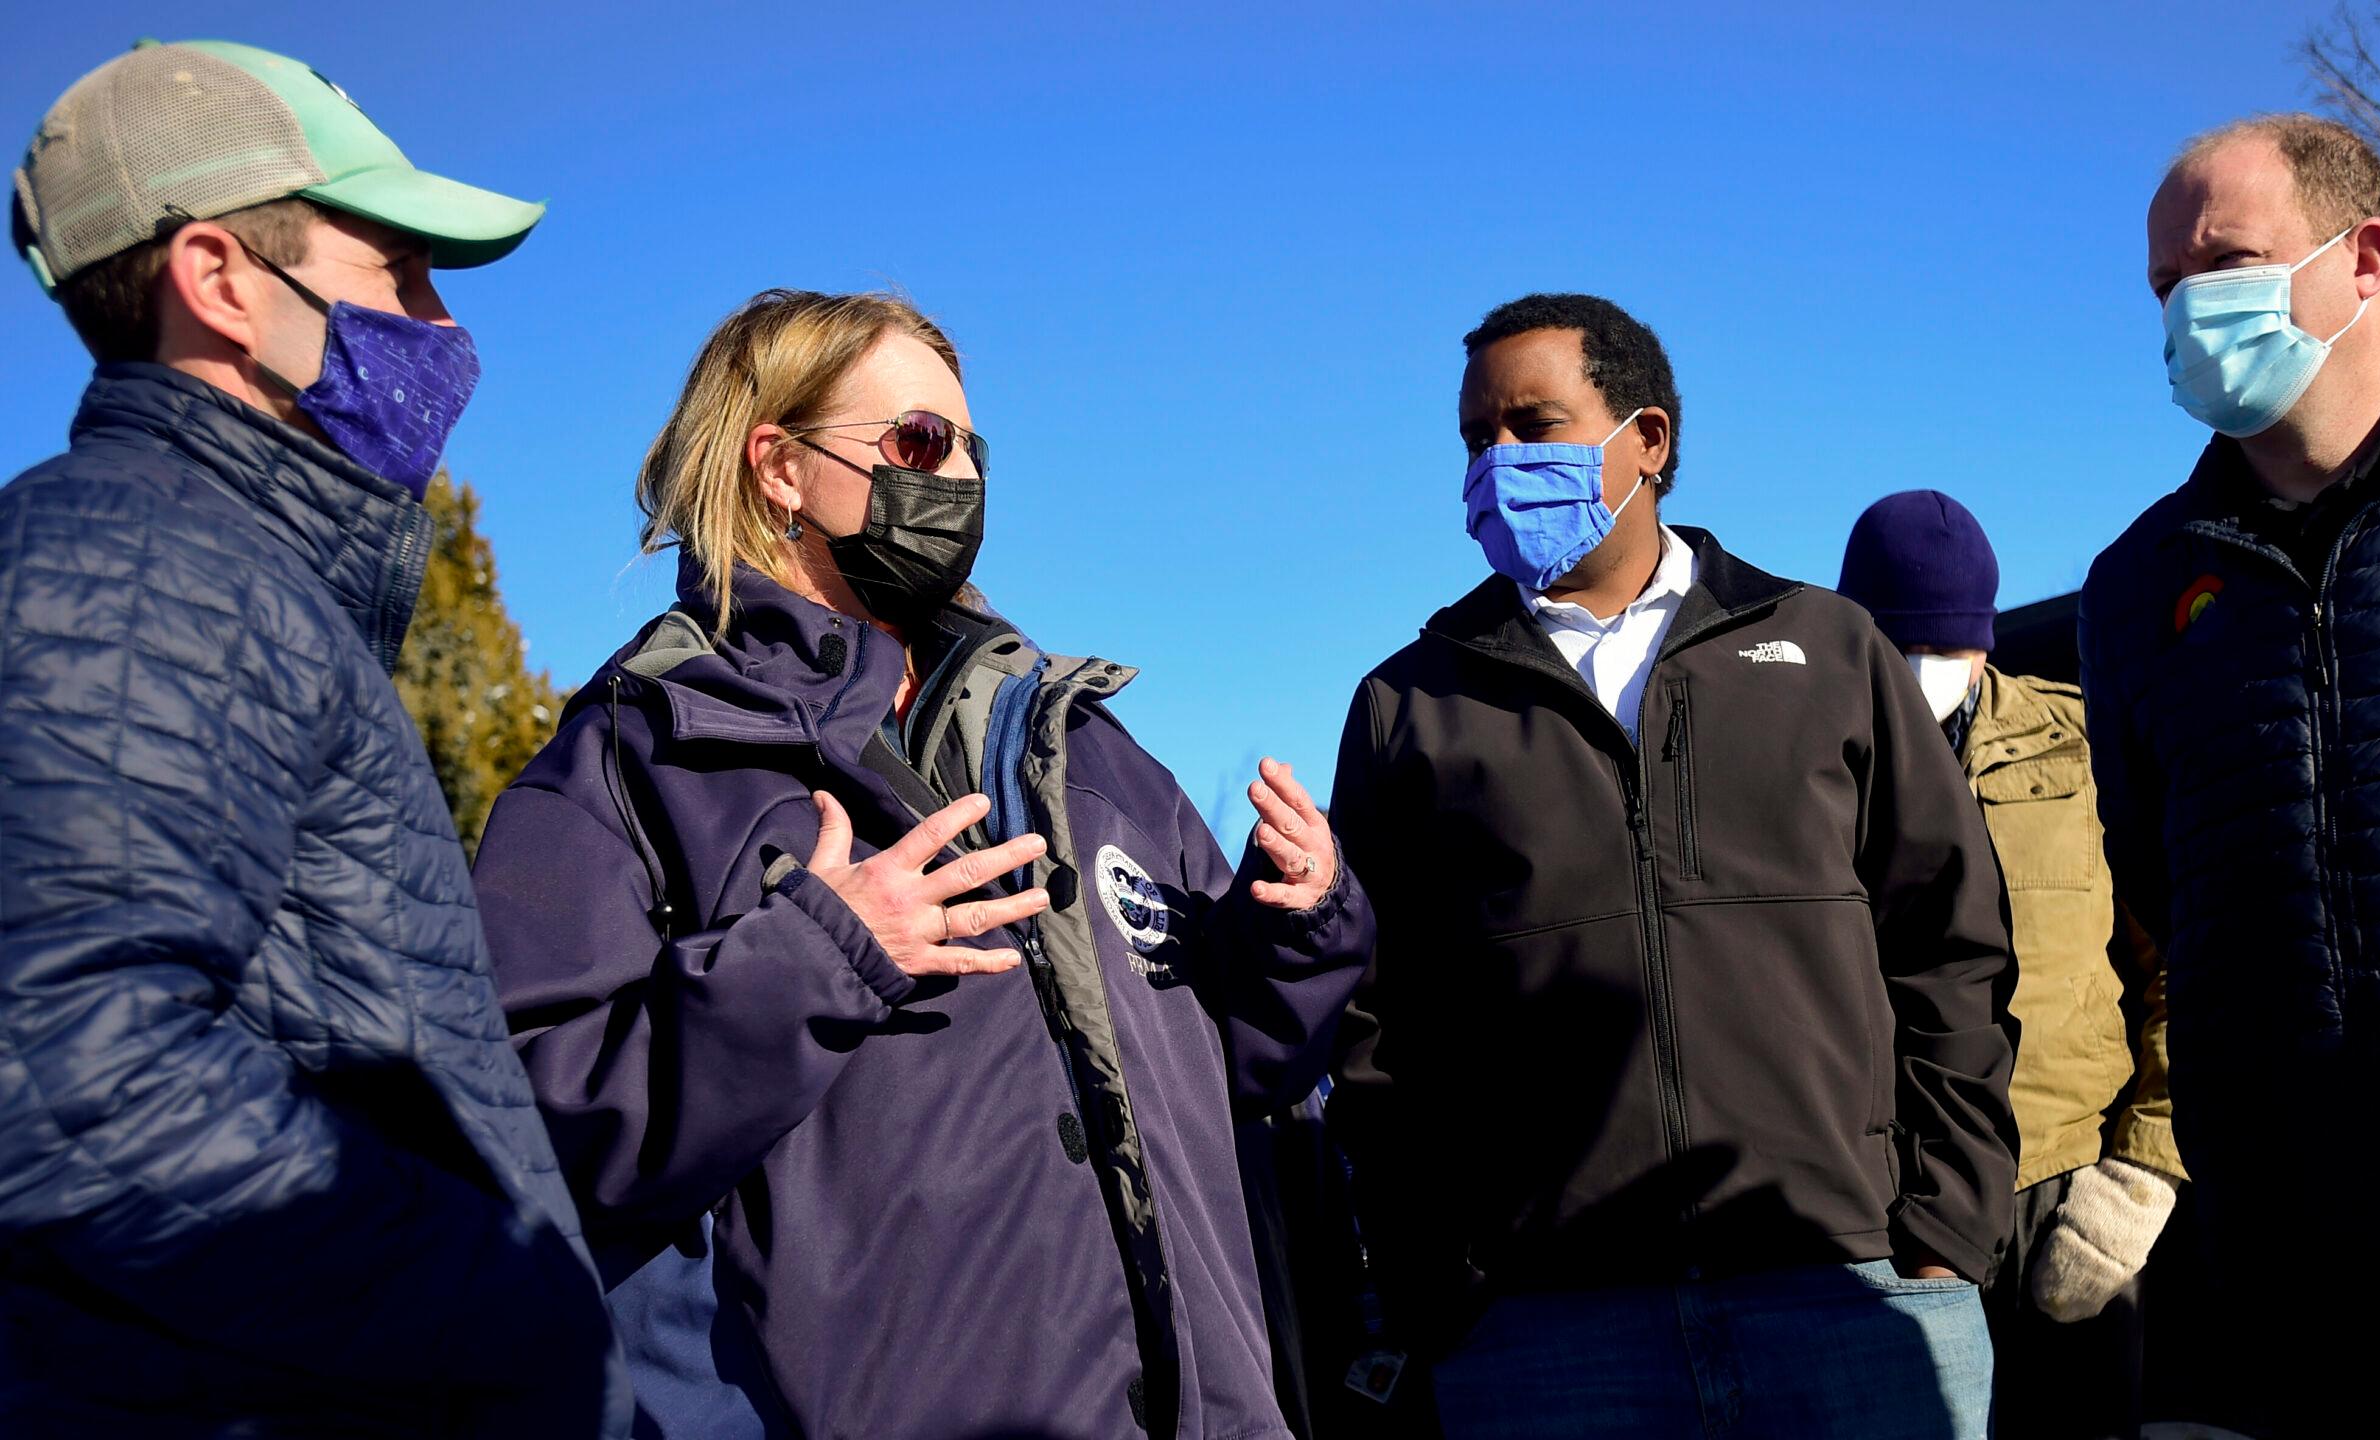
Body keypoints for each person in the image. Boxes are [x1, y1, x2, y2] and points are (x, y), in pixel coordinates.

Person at [469, 288, 1375, 1440]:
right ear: (779, 467)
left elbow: (1239, 1067)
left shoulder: (1082, 742)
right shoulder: (640, 755)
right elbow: (520, 1116)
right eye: (917, 441)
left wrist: (1296, 928)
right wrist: (809, 962)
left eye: (969, 449)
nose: (956, 481)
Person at [0, 39, 626, 1436]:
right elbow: (59, 1067)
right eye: (395, 269)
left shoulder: (226, 576)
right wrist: (517, 1306)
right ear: (220, 281)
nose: (439, 322)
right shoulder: (142, 563)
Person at [1325, 293, 2018, 1440]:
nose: (1497, 460)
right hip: (1545, 1332)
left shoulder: (1829, 650)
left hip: (1850, 1293)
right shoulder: (1410, 704)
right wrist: (1438, 1275)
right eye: (1474, 438)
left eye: (1533, 424)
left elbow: (1949, 944)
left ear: (1645, 439)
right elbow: (1372, 1021)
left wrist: (1943, 1230)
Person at [2082, 112, 2380, 1431]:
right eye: (2168, 288)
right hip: (2286, 1276)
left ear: (2367, 259)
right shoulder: (2136, 588)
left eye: (2225, 263)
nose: (2190, 310)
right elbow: (2156, 898)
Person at [1839, 490, 2181, 1440]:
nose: (1920, 671)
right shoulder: (1802, 770)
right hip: (1884, 1203)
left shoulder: (2083, 750)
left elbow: (2180, 972)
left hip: (2063, 1187)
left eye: (1946, 646)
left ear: (1985, 639)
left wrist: (2137, 1181)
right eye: (1892, 642)